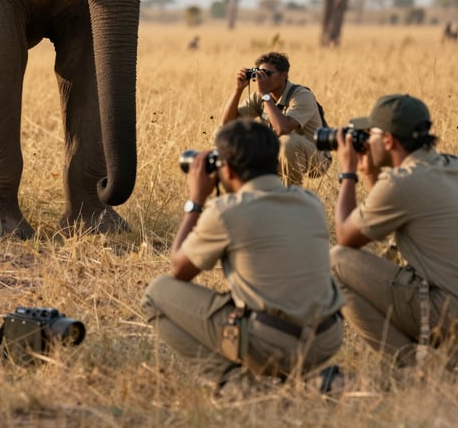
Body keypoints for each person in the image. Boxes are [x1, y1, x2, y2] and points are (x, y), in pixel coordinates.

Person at [142, 120, 344, 392]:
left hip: (275, 346)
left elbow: (180, 269)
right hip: (327, 339)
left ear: (229, 169)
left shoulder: (226, 211)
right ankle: (310, 378)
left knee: (156, 295)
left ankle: (235, 385)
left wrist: (196, 200)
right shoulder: (310, 201)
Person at [332, 94, 458, 366]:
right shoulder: (455, 166)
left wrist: (348, 173)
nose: (366, 141)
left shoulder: (401, 183)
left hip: (450, 310)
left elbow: (347, 237)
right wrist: (370, 173)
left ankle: (416, 363)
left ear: (389, 141)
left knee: (333, 262)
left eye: (371, 135)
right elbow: (390, 210)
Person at [220, 51, 330, 185]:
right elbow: (228, 124)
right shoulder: (260, 96)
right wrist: (238, 90)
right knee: (226, 137)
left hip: (317, 157)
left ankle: (291, 196)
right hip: (278, 152)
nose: (263, 79)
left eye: (268, 74)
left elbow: (282, 129)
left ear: (284, 75)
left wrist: (265, 95)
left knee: (288, 141)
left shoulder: (301, 95)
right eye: (259, 74)